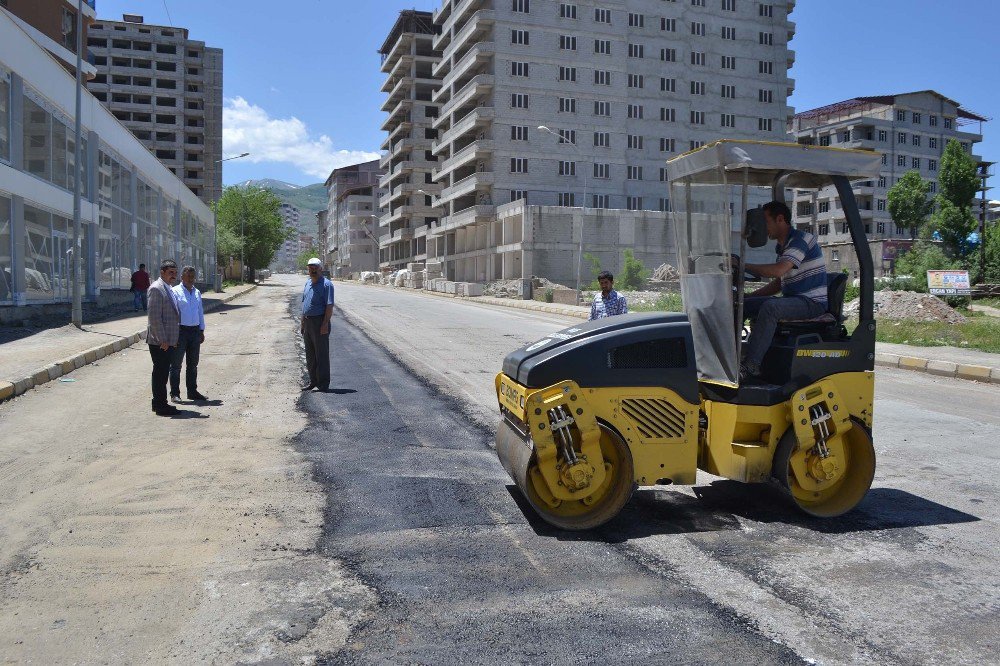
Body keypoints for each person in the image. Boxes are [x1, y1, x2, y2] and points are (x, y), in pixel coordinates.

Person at [740, 201, 828, 380]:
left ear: (780, 219)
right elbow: (779, 283)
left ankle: (751, 365)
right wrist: (748, 297)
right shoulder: (783, 247)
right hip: (795, 300)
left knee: (771, 308)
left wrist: (743, 266)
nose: (763, 229)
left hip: (811, 303)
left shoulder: (800, 240)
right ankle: (731, 356)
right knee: (742, 305)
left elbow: (778, 270)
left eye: (765, 222)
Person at [147, 260, 180, 416]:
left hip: (168, 342)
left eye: (175, 272)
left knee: (162, 373)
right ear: (162, 272)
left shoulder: (169, 288)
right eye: (170, 272)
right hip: (161, 343)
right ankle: (161, 405)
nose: (173, 275)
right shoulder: (156, 289)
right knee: (160, 374)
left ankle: (157, 403)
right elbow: (154, 318)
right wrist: (163, 340)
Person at [170, 265, 208, 402]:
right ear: (182, 277)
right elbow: (172, 314)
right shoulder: (175, 292)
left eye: (193, 276)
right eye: (188, 276)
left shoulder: (197, 292)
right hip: (180, 332)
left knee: (192, 364)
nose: (191, 279)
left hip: (194, 332)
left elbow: (200, 312)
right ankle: (175, 394)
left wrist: (201, 330)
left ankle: (192, 391)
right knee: (176, 365)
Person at [301, 257, 334, 391]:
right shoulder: (307, 283)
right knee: (310, 355)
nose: (312, 269)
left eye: (315, 267)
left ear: (320, 269)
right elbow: (304, 303)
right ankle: (313, 381)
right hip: (308, 322)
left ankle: (323, 383)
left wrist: (325, 323)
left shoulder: (327, 284)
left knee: (321, 354)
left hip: (319, 321)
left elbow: (329, 305)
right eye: (310, 267)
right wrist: (302, 322)